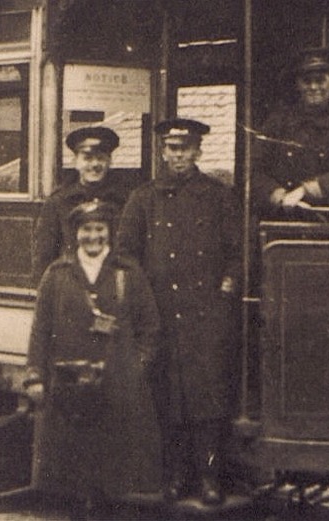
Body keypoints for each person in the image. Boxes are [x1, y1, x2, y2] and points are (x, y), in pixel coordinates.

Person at [116, 118, 242, 506]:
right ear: (162, 152)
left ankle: (209, 479)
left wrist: (229, 281)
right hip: (162, 314)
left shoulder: (218, 196)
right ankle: (173, 478)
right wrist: (141, 300)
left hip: (206, 315)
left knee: (207, 401)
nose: (178, 155)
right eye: (172, 148)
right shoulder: (144, 198)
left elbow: (239, 249)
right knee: (168, 401)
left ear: (198, 152)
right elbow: (125, 253)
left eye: (185, 148)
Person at [25, 199, 162, 520]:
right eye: (86, 230)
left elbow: (150, 326)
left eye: (99, 229)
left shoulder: (126, 273)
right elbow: (40, 330)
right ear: (75, 234)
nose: (93, 236)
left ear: (109, 232)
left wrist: (133, 367)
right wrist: (34, 375)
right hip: (69, 389)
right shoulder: (57, 275)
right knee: (71, 471)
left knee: (112, 471)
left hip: (115, 389)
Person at [251, 47, 329, 218]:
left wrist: (307, 190)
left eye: (320, 80)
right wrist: (277, 194)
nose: (313, 87)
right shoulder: (278, 123)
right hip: (282, 220)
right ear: (298, 84)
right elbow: (254, 170)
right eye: (307, 81)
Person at [32, 126, 124, 282]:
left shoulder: (124, 200)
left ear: (110, 161)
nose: (95, 164)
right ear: (76, 162)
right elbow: (44, 255)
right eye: (87, 158)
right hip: (70, 286)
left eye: (101, 158)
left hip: (112, 286)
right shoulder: (58, 202)